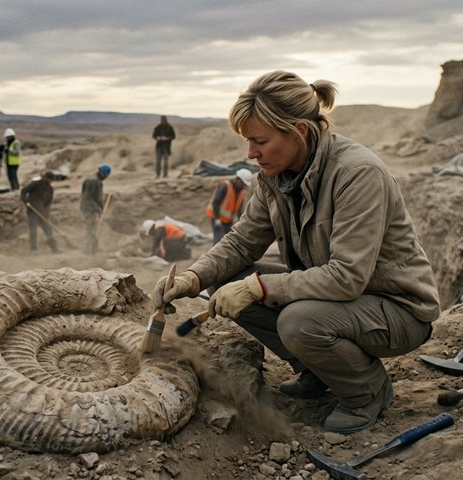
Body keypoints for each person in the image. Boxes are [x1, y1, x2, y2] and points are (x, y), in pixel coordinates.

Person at [153, 71, 440, 434]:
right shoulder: (276, 175)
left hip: (395, 308)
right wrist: (194, 277)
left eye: (260, 141)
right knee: (227, 279)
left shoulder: (357, 174)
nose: (250, 154)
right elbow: (242, 241)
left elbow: (348, 277)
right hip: (335, 300)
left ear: (300, 131)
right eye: (248, 141)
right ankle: (317, 370)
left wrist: (258, 288)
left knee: (298, 321)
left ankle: (367, 392)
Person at [206, 168, 252, 244]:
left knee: (229, 241)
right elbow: (216, 202)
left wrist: (241, 223)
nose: (244, 186)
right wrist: (217, 218)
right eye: (243, 184)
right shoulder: (225, 185)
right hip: (217, 217)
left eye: (245, 185)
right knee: (219, 242)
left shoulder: (241, 193)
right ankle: (217, 255)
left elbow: (240, 210)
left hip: (228, 221)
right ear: (238, 179)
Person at [21, 172, 59, 253]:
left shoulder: (50, 189)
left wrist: (46, 215)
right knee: (33, 230)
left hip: (43, 213)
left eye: (51, 180)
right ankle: (34, 250)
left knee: (48, 230)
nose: (50, 181)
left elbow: (48, 203)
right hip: (33, 211)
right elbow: (23, 191)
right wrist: (26, 202)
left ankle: (54, 249)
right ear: (45, 178)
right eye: (48, 179)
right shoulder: (35, 184)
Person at [80, 164, 110, 254]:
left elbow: (97, 198)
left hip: (90, 208)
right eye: (105, 175)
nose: (105, 178)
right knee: (92, 230)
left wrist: (101, 207)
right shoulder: (93, 181)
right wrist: (98, 209)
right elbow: (88, 199)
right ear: (101, 173)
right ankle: (90, 250)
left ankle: (93, 248)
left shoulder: (95, 180)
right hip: (89, 209)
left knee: (93, 229)